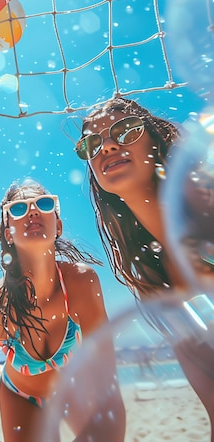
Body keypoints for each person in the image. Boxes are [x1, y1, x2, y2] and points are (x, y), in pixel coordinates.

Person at [75, 95, 214, 440]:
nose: (106, 145)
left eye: (125, 130)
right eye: (92, 143)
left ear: (156, 139)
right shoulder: (156, 281)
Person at [0, 179, 125, 442]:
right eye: (17, 209)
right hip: (20, 395)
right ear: (8, 233)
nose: (32, 211)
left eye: (44, 203)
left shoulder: (82, 284)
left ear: (58, 225)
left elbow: (108, 394)